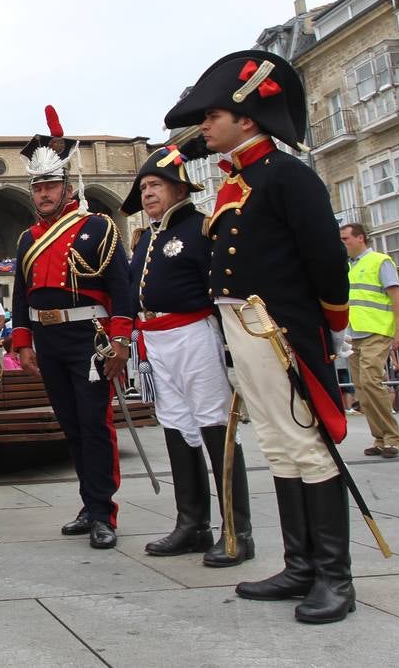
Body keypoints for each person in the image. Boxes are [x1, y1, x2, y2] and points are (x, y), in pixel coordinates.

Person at [164, 49, 354, 624]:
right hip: (243, 329)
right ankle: (300, 566)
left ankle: (334, 577)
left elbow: (325, 259)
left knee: (306, 445)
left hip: (282, 330)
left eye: (214, 116)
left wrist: (325, 326)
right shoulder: (238, 180)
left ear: (247, 118)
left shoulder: (288, 177)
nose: (205, 127)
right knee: (277, 444)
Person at [122, 145, 253, 567]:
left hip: (194, 334)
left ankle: (237, 530)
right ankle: (192, 523)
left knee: (214, 424)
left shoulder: (201, 229)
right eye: (143, 187)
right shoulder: (149, 237)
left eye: (155, 185)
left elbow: (223, 290)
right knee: (177, 426)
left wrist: (232, 350)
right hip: (157, 340)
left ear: (179, 187)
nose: (147, 194)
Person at [9, 107, 131, 550]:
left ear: (66, 186)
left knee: (94, 425)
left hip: (89, 339)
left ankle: (104, 511)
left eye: (50, 185)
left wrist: (121, 339)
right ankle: (88, 502)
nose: (43, 193)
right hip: (49, 339)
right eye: (37, 186)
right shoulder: (26, 239)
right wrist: (22, 340)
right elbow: (23, 296)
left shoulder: (97, 228)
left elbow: (121, 285)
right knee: (72, 426)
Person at [339, 224, 399, 458]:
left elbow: (395, 296)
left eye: (346, 238)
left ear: (360, 238)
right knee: (362, 388)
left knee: (370, 380)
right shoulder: (347, 266)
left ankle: (392, 437)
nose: (343, 242)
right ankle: (379, 437)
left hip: (377, 330)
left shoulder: (380, 260)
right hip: (354, 333)